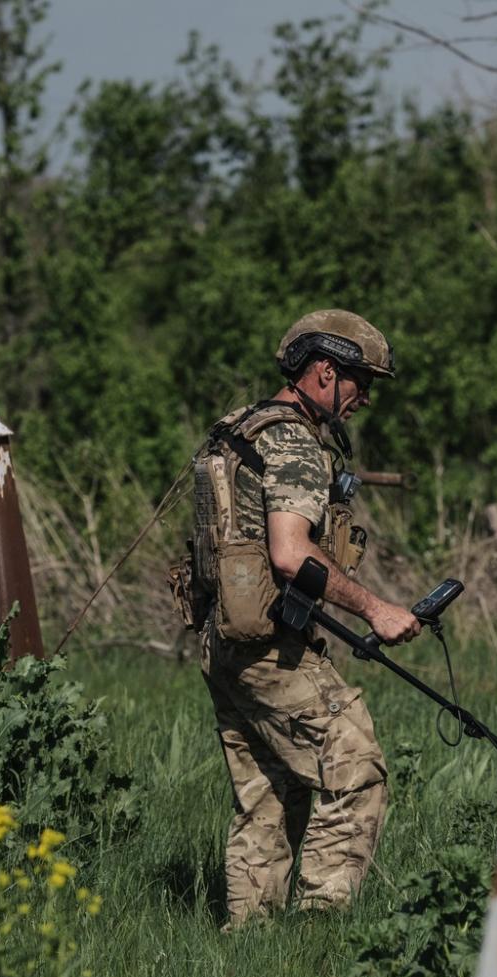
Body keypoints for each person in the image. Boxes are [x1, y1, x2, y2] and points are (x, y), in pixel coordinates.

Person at [176, 310, 419, 926]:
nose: (365, 397)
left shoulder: (238, 429)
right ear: (322, 371)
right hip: (270, 651)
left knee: (268, 799)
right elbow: (289, 554)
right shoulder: (294, 444)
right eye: (360, 382)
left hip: (223, 642)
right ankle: (320, 926)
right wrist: (376, 608)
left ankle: (249, 941)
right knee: (357, 767)